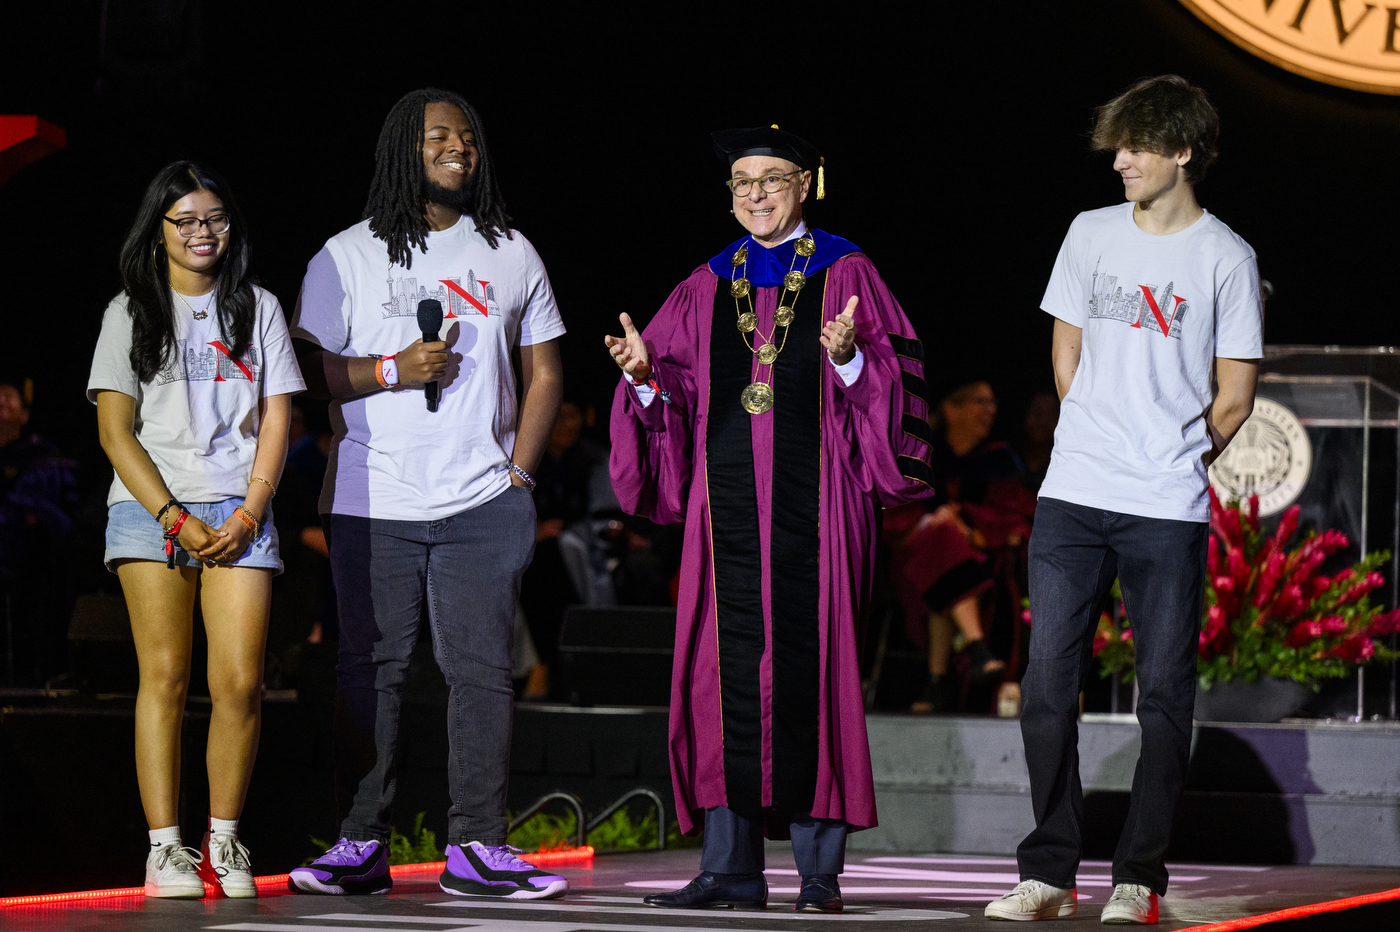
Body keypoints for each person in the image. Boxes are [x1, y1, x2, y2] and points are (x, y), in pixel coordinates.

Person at [606, 125, 932, 913]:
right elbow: (676, 393)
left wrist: (851, 358)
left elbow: (896, 383)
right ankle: (730, 869)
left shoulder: (847, 270)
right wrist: (647, 378)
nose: (754, 193)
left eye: (771, 178)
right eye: (741, 181)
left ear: (806, 183)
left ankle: (818, 873)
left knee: (813, 674)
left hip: (818, 512)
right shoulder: (705, 283)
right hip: (726, 521)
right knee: (718, 682)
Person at [984, 76, 1262, 924]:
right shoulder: (1089, 232)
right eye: (1116, 145)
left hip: (1166, 505)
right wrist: (1094, 432)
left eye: (1137, 145)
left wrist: (1175, 453)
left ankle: (1138, 875)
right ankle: (1050, 870)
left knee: (1165, 693)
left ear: (1183, 150)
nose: (1121, 160)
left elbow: (1238, 394)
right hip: (1073, 492)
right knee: (1044, 686)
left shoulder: (1228, 257)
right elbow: (1065, 353)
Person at [286, 88, 567, 900]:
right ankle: (358, 846)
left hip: (482, 498)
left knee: (480, 672)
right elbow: (305, 368)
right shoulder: (346, 254)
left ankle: (478, 846)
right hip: (374, 500)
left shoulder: (510, 250)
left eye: (469, 138)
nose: (459, 148)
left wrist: (519, 474)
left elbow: (545, 369)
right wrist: (391, 370)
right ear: (401, 149)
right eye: (440, 136)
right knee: (367, 671)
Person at [88, 161, 305, 898]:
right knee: (167, 678)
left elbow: (278, 417)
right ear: (158, 234)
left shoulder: (260, 308)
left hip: (241, 511)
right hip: (152, 509)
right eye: (184, 221)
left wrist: (250, 510)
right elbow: (115, 431)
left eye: (213, 218)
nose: (201, 232)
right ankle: (165, 850)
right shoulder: (128, 312)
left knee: (241, 681)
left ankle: (225, 840)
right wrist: (173, 516)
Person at [884, 378, 1035, 713]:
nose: (990, 410)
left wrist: (964, 524)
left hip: (975, 560)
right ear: (951, 408)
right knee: (939, 543)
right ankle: (976, 646)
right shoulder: (920, 457)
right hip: (915, 562)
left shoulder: (1000, 460)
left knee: (945, 554)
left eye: (992, 402)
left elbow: (1018, 520)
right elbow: (892, 521)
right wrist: (931, 523)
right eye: (979, 401)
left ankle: (938, 679)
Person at [0, 377, 79, 686]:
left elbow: (62, 515)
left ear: (25, 414)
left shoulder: (44, 457)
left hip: (33, 566)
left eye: (10, 399)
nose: (4, 404)